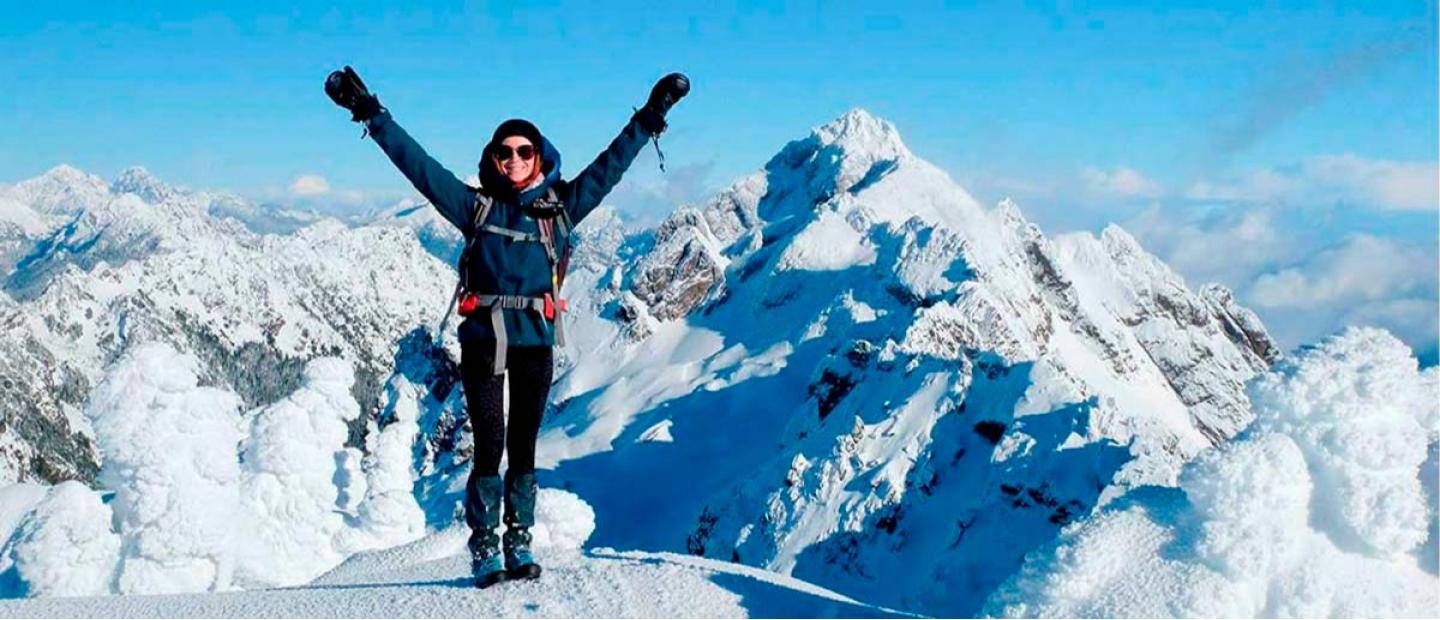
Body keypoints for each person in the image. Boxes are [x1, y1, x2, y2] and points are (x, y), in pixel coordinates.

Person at [325, 66, 690, 588]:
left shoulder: (560, 207)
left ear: (539, 157)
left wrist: (653, 112)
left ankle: (519, 542)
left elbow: (611, 167)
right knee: (489, 446)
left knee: (523, 447)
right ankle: (484, 548)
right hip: (483, 343)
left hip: (536, 344)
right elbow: (419, 168)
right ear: (493, 160)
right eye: (506, 153)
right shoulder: (475, 207)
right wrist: (369, 114)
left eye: (524, 151)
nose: (515, 160)